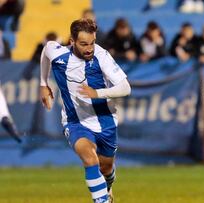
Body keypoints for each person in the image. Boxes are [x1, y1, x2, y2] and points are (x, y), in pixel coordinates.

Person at [39, 18, 131, 203]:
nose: (89, 48)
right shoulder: (58, 54)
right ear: (71, 42)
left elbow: (125, 88)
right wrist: (43, 83)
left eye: (92, 42)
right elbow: (46, 50)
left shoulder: (101, 56)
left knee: (106, 168)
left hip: (105, 121)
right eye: (83, 44)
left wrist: (97, 93)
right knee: (89, 159)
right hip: (75, 122)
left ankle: (108, 187)